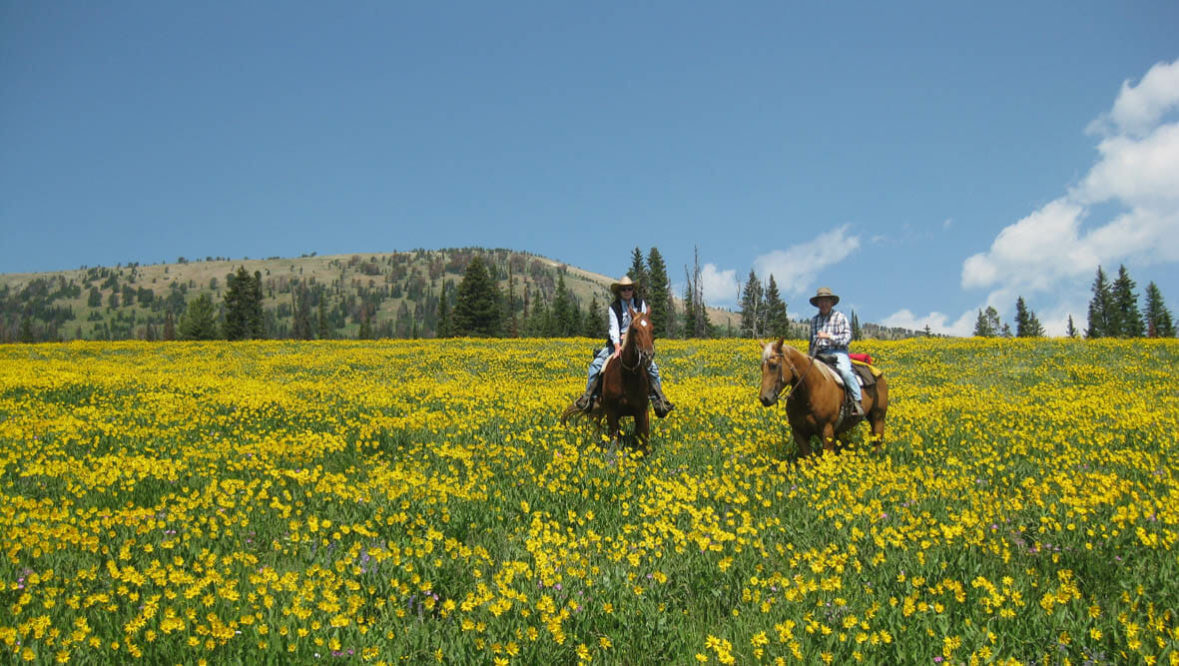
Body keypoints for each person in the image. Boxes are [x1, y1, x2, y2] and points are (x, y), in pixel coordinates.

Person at [574, 276, 674, 417]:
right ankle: (589, 397)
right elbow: (613, 328)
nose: (627, 291)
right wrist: (616, 347)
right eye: (624, 289)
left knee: (653, 368)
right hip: (618, 343)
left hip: (637, 341)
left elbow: (644, 323)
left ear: (633, 290)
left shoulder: (640, 304)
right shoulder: (614, 308)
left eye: (629, 288)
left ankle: (659, 400)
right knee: (596, 365)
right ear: (619, 291)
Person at [808, 287, 863, 418]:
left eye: (826, 301)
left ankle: (857, 401)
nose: (823, 304)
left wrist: (829, 337)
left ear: (832, 302)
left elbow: (847, 338)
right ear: (817, 304)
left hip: (838, 352)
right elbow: (811, 342)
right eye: (821, 301)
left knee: (845, 372)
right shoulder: (814, 320)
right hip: (819, 354)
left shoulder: (840, 317)